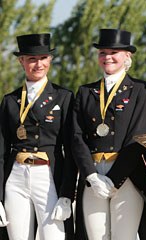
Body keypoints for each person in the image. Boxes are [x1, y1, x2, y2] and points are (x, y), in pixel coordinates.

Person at [72, 28, 146, 240]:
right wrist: (90, 175)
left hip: (127, 175)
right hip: (94, 176)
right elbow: (76, 136)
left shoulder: (141, 90)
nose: (108, 57)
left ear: (127, 56)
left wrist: (115, 179)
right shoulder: (85, 92)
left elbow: (138, 136)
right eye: (103, 53)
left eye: (113, 53)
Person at [0, 33, 78, 240]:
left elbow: (71, 150)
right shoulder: (10, 100)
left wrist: (67, 193)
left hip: (48, 175)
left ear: (50, 60)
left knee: (53, 236)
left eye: (43, 58)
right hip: (16, 176)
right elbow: (0, 152)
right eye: (32, 59)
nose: (38, 64)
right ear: (21, 61)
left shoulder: (64, 97)